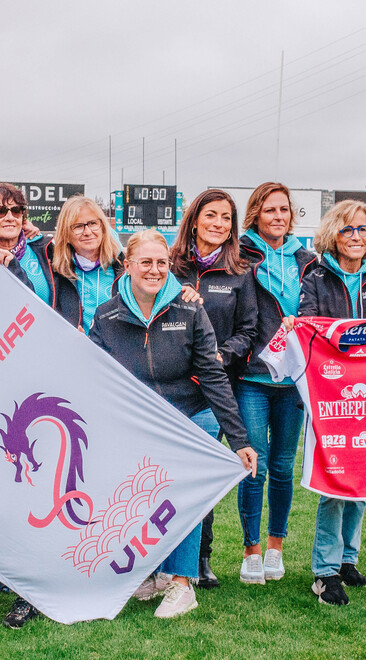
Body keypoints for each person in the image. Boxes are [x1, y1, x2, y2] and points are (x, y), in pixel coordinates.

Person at [89, 230, 257, 619]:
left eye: (161, 262)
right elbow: (94, 376)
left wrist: (238, 439)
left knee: (184, 495)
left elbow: (213, 376)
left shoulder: (189, 309)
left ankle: (182, 584)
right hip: (139, 423)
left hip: (189, 415)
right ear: (127, 266)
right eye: (145, 262)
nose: (154, 270)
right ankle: (148, 573)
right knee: (140, 498)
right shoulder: (106, 315)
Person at [294, 200, 366, 607]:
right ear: (332, 235)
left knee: (364, 478)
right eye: (347, 230)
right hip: (331, 394)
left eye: (362, 230)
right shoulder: (315, 276)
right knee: (335, 481)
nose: (356, 237)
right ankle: (325, 571)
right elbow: (311, 325)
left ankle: (348, 558)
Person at [170, 189, 258, 589]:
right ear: (195, 218)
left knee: (201, 478)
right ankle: (158, 559)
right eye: (211, 215)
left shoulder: (240, 271)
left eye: (226, 218)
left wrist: (220, 358)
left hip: (212, 394)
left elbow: (248, 330)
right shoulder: (170, 266)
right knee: (164, 477)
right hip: (169, 391)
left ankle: (201, 558)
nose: (219, 224)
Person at [236, 182, 319, 584]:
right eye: (270, 210)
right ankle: (251, 551)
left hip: (295, 380)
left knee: (284, 467)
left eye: (284, 210)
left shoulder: (307, 259)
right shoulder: (239, 254)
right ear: (255, 213)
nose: (279, 216)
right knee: (256, 465)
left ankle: (275, 547)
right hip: (252, 375)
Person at [49, 195, 123, 333]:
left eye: (93, 223)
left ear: (102, 227)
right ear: (66, 235)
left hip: (113, 353)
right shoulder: (55, 270)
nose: (88, 232)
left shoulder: (124, 267)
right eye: (78, 226)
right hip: (74, 352)